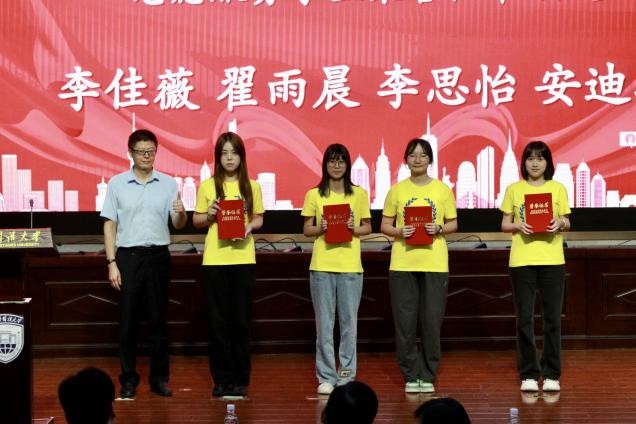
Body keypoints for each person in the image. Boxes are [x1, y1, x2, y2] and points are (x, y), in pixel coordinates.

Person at [102, 129, 187, 399]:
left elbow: (178, 224)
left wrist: (182, 213)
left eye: (151, 151)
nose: (147, 156)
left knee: (158, 321)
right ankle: (128, 380)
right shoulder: (116, 184)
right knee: (127, 322)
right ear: (130, 153)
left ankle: (159, 379)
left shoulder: (169, 184)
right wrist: (111, 262)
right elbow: (109, 225)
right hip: (128, 258)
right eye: (141, 151)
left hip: (159, 257)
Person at [380, 138, 457, 394]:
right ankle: (411, 375)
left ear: (430, 160)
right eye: (412, 155)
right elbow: (385, 225)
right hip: (403, 264)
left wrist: (439, 228)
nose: (417, 159)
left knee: (431, 322)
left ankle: (428, 374)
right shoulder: (396, 191)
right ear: (406, 160)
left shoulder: (442, 190)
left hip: (435, 263)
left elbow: (453, 224)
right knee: (405, 322)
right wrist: (400, 231)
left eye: (423, 155)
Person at [193, 132, 264, 398]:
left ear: (241, 156)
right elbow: (197, 220)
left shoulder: (252, 186)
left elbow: (258, 218)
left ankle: (240, 380)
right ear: (218, 158)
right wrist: (210, 215)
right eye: (224, 153)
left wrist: (248, 227)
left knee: (241, 323)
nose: (229, 158)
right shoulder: (207, 186)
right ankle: (220, 380)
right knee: (217, 323)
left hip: (243, 259)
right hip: (215, 260)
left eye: (234, 152)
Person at [500, 140, 570, 393]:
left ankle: (551, 374)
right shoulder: (514, 189)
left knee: (552, 320)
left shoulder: (558, 188)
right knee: (525, 320)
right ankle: (529, 373)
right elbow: (504, 224)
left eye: (540, 158)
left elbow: (567, 221)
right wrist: (518, 226)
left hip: (552, 261)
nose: (535, 163)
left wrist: (559, 223)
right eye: (530, 158)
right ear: (524, 163)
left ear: (547, 162)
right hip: (522, 261)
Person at [301, 144, 372, 395]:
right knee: (324, 326)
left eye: (341, 161)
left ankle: (346, 374)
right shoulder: (314, 194)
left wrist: (353, 227)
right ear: (325, 165)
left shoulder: (359, 194)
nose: (336, 165)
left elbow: (367, 228)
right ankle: (326, 376)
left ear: (347, 165)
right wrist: (321, 226)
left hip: (350, 268)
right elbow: (307, 230)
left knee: (349, 325)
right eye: (332, 161)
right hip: (322, 267)